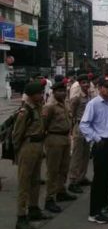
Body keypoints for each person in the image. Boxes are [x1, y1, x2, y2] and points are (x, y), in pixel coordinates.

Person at [12, 82, 51, 229]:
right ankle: (21, 217)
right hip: (27, 147)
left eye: (42, 93)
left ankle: (33, 209)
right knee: (24, 183)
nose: (41, 95)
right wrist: (19, 152)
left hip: (38, 145)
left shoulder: (39, 108)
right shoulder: (25, 111)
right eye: (38, 93)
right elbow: (17, 135)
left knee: (35, 181)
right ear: (31, 95)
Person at [80, 78, 108, 224]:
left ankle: (104, 203)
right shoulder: (94, 104)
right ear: (100, 88)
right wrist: (97, 139)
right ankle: (94, 212)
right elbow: (84, 125)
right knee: (99, 179)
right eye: (107, 87)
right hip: (101, 144)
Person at [43, 82, 76, 213]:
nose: (63, 93)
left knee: (64, 167)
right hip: (54, 139)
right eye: (59, 91)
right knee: (53, 170)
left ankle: (61, 191)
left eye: (64, 91)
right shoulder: (50, 106)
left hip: (65, 138)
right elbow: (44, 125)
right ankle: (49, 199)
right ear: (54, 92)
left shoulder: (65, 103)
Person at [68, 74, 92, 194]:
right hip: (79, 126)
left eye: (87, 82)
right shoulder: (76, 97)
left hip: (88, 127)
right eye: (83, 82)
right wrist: (72, 129)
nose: (86, 84)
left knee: (86, 154)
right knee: (77, 155)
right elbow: (71, 113)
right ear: (79, 84)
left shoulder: (89, 96)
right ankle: (73, 181)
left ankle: (82, 177)